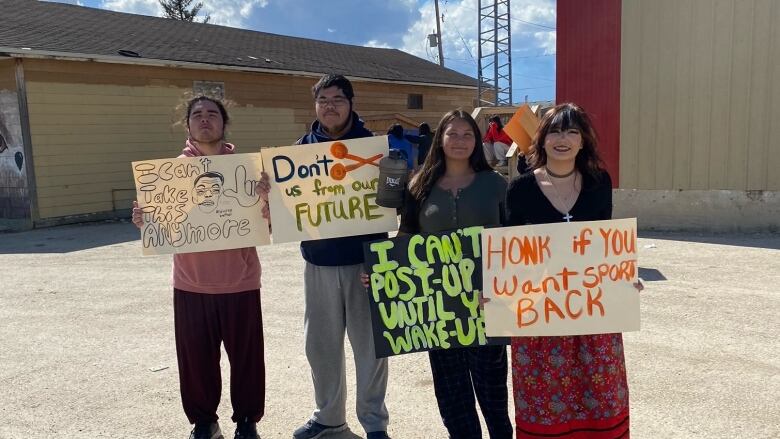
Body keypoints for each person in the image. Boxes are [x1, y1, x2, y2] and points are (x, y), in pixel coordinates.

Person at [132, 96, 271, 439]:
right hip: (191, 283)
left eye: (212, 114)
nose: (205, 119)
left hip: (241, 280)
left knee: (247, 359)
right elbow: (164, 228)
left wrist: (267, 199)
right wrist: (144, 219)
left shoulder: (246, 170)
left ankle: (247, 421)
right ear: (188, 125)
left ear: (224, 123)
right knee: (196, 361)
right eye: (197, 115)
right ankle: (205, 423)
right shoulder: (169, 174)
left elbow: (267, 224)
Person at [504, 103, 630, 438]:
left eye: (572, 131)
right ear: (541, 140)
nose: (563, 138)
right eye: (555, 131)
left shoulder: (599, 182)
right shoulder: (521, 190)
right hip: (540, 317)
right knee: (544, 400)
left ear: (583, 141)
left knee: (601, 397)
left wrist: (622, 280)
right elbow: (508, 254)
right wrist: (496, 292)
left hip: (592, 313)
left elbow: (605, 242)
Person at [399, 109, 513, 438]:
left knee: (493, 397)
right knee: (452, 397)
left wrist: (504, 289)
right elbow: (406, 237)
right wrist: (382, 273)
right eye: (453, 134)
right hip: (440, 308)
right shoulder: (419, 184)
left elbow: (512, 242)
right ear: (440, 139)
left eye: (467, 134)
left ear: (477, 141)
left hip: (488, 304)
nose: (459, 141)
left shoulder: (495, 184)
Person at [292, 74, 391, 439]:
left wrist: (396, 177)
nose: (329, 106)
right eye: (323, 100)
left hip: (367, 262)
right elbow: (287, 208)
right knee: (320, 347)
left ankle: (375, 425)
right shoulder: (298, 152)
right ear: (315, 106)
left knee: (371, 350)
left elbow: (396, 201)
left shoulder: (374, 148)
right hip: (318, 262)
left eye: (337, 99)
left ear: (351, 103)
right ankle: (329, 420)